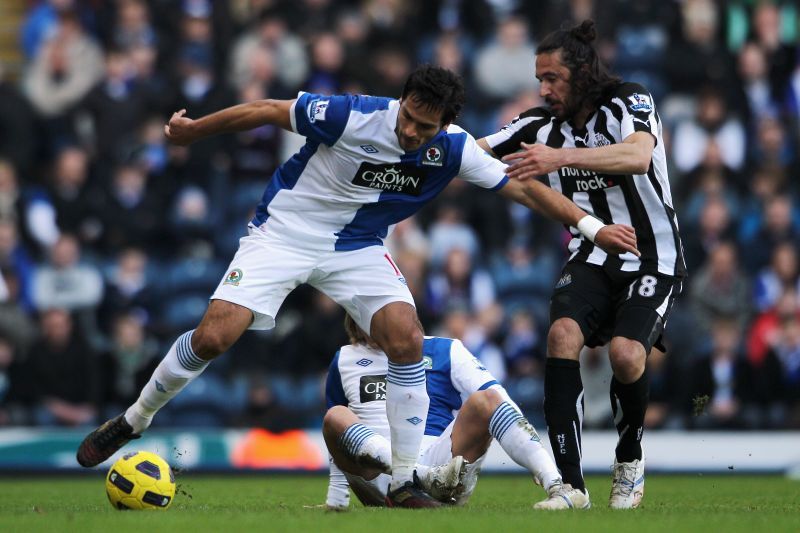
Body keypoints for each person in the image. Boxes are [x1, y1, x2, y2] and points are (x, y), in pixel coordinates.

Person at [76, 64, 638, 508]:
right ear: (402, 102)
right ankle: (134, 420)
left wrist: (589, 226)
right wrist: (195, 130)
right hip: (284, 233)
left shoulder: (456, 147)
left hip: (357, 248)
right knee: (216, 337)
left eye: (425, 126)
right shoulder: (353, 114)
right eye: (408, 118)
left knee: (407, 338)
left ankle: (401, 481)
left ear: (445, 123)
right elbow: (270, 110)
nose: (411, 131)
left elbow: (523, 187)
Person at [478, 21, 685, 509]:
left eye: (552, 78)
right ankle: (571, 486)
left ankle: (629, 459)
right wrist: (416, 143)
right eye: (539, 79)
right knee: (561, 335)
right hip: (592, 254)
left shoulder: (628, 101)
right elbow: (472, 149)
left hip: (653, 255)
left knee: (626, 355)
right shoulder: (536, 126)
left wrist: (560, 158)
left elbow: (637, 156)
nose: (544, 89)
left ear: (583, 72)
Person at [321, 314, 589, 510]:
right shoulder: (344, 358)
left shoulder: (446, 349)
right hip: (376, 477)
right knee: (335, 416)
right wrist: (336, 499)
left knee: (488, 400)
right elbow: (338, 441)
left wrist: (538, 457)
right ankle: (415, 477)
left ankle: (558, 485)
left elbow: (500, 402)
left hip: (442, 472)